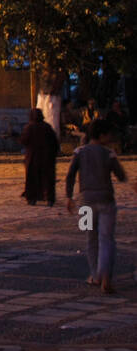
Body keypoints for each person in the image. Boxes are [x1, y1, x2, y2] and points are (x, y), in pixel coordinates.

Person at [66, 119, 127, 294]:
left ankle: (95, 275)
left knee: (90, 238)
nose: (111, 137)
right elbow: (121, 175)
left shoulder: (79, 152)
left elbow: (70, 175)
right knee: (106, 239)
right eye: (109, 134)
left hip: (84, 202)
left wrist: (69, 197)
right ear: (101, 135)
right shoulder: (109, 153)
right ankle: (106, 274)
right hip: (106, 200)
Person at [19, 108, 60, 206]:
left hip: (33, 158)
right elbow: (55, 143)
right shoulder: (47, 127)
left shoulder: (29, 128)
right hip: (47, 158)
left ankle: (32, 198)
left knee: (32, 179)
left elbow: (24, 141)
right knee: (48, 179)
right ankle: (49, 198)